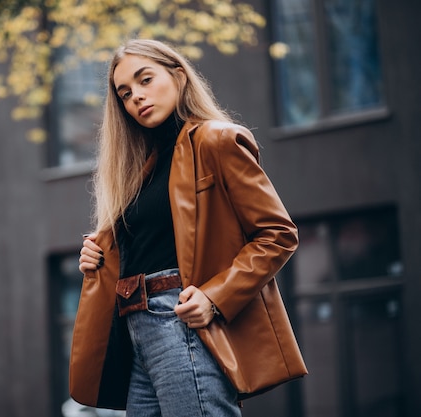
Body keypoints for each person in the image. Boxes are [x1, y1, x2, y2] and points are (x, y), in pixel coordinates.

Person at [69, 39, 299, 417]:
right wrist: (99, 253)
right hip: (135, 330)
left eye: (145, 80)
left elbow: (277, 234)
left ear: (178, 76)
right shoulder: (141, 169)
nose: (136, 98)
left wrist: (214, 297)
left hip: (179, 320)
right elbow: (148, 243)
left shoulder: (217, 141)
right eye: (125, 93)